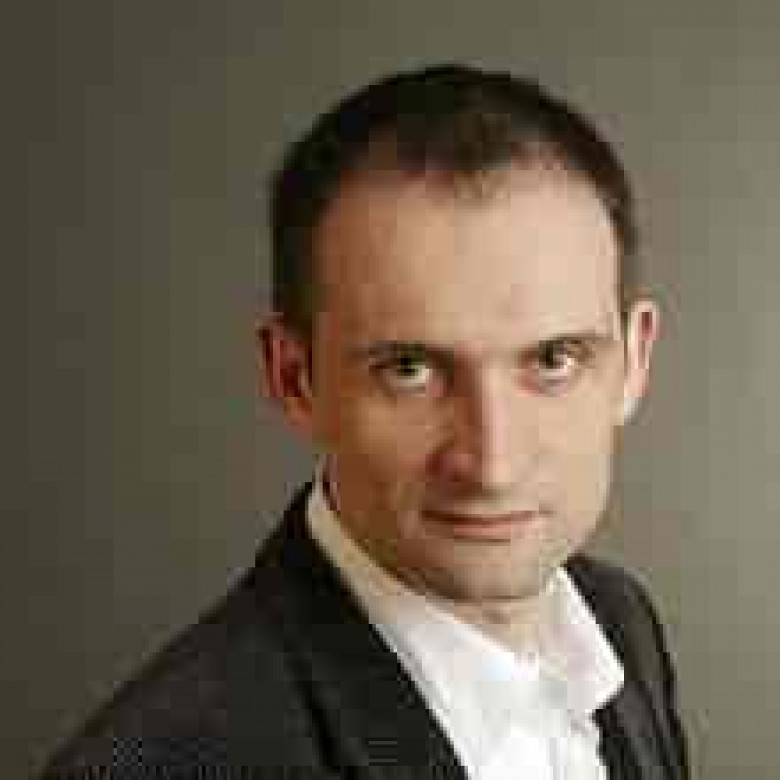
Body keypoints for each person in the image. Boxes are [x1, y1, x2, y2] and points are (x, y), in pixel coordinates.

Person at [42, 64, 689, 778]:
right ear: (295, 378)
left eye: (553, 360)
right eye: (410, 369)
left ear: (635, 361)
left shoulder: (619, 621)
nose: (492, 465)